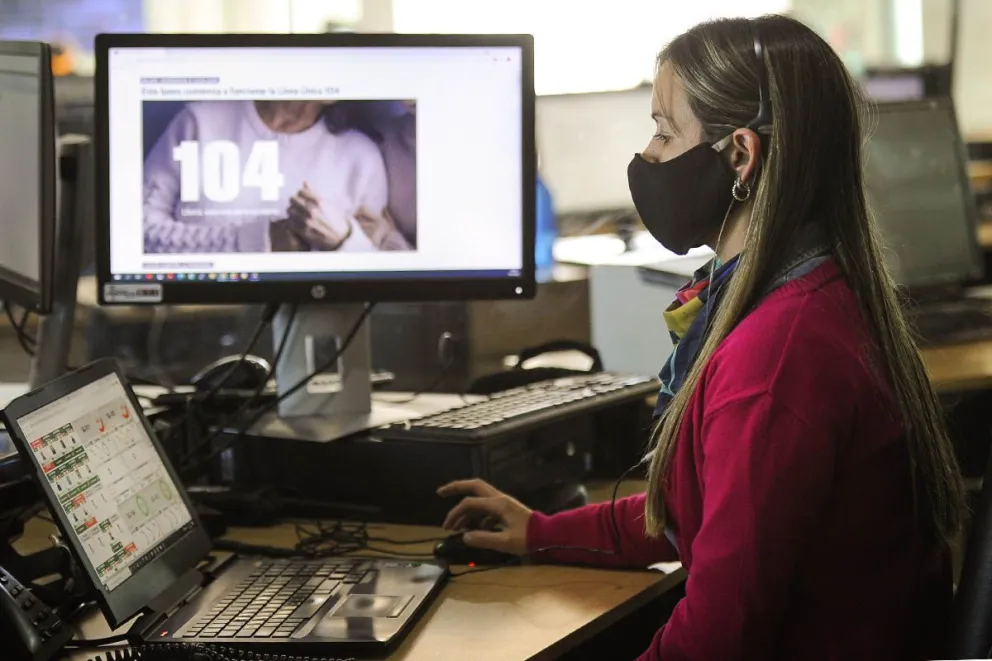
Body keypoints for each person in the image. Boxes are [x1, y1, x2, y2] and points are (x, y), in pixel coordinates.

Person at [438, 15, 964, 661]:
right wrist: (541, 531)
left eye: (664, 130)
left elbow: (719, 634)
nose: (649, 156)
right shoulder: (813, 289)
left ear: (740, 154)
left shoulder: (774, 357)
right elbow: (711, 508)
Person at [143, 100, 409, 253]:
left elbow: (376, 268)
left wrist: (344, 241)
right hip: (201, 312)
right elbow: (138, 233)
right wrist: (259, 240)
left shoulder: (361, 155)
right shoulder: (200, 120)